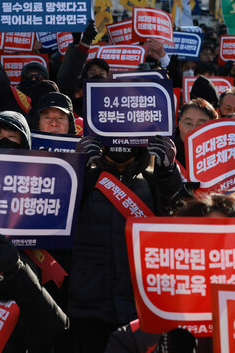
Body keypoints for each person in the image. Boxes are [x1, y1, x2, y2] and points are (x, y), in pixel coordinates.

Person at [69, 136, 183, 352]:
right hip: (89, 303)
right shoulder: (88, 178)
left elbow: (176, 213)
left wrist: (168, 172)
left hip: (138, 303)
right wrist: (76, 167)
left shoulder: (151, 181)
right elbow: (62, 209)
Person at [174, 99, 218, 170]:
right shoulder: (168, 156)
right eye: (188, 123)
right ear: (179, 125)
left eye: (200, 125)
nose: (193, 130)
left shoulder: (221, 156)